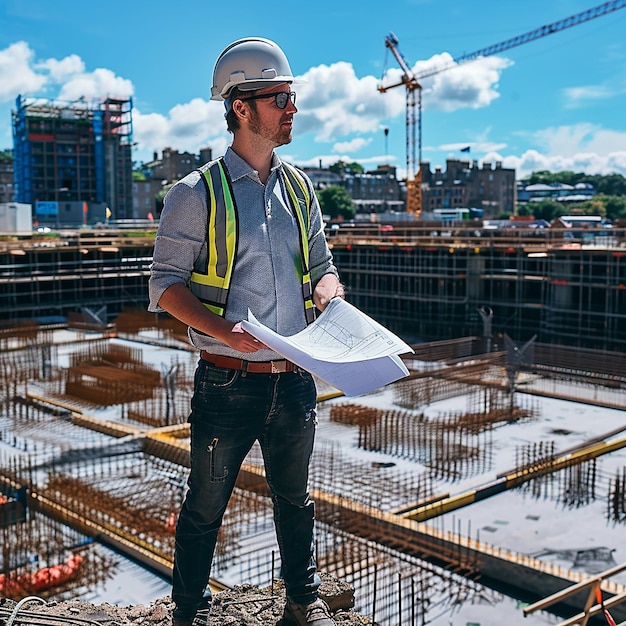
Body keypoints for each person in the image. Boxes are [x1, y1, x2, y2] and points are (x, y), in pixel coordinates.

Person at [148, 37, 343, 626]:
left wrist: (331, 298)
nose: (292, 108)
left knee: (295, 500)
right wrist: (224, 333)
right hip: (227, 384)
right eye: (279, 97)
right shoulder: (195, 193)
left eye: (291, 97)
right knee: (205, 506)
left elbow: (323, 267)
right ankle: (189, 613)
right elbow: (165, 286)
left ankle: (302, 606)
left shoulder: (301, 189)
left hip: (294, 382)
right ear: (241, 106)